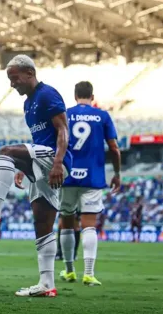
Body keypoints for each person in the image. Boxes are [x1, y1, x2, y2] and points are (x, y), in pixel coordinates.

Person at [0, 55, 72, 297]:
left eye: (14, 78)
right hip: (43, 161)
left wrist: (58, 163)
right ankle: (47, 284)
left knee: (6, 152)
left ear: (29, 73)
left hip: (55, 159)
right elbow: (37, 141)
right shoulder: (28, 103)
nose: (12, 84)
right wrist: (24, 168)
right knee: (42, 224)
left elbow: (63, 130)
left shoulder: (47, 94)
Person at [58, 81, 121, 286]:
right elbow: (114, 148)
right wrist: (117, 173)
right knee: (89, 225)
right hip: (92, 177)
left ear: (75, 95)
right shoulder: (102, 116)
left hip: (67, 176)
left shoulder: (64, 114)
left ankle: (69, 270)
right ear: (92, 97)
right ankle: (89, 273)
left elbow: (55, 143)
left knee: (67, 222)